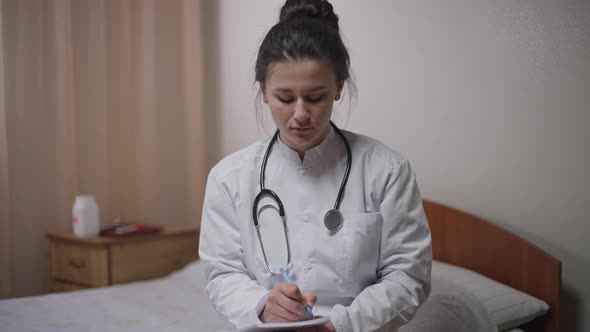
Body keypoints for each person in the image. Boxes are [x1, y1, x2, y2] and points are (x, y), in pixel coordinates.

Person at [199, 0, 432, 331]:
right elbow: (222, 273)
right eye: (284, 97)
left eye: (315, 97)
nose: (300, 114)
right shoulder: (229, 178)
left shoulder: (387, 171)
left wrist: (338, 325)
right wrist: (264, 306)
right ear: (264, 91)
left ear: (338, 88)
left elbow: (408, 276)